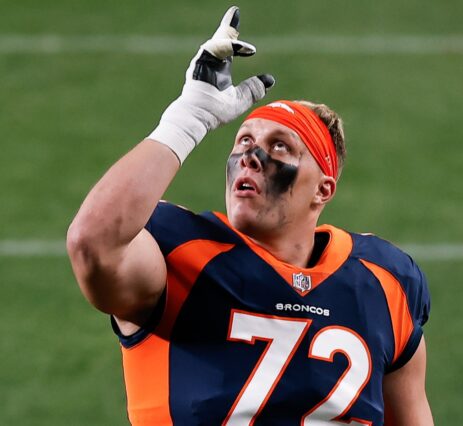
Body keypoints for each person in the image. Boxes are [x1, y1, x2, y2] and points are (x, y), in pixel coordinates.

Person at [67, 6, 433, 426]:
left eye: (281, 147)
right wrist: (189, 119)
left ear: (323, 189)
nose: (250, 157)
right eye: (242, 141)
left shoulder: (384, 281)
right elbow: (92, 242)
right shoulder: (181, 254)